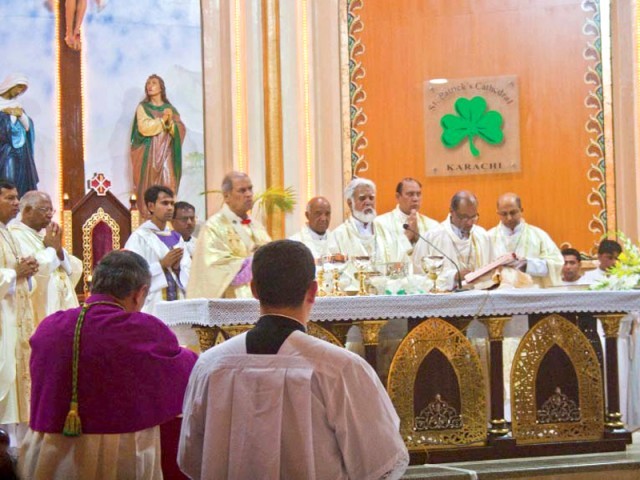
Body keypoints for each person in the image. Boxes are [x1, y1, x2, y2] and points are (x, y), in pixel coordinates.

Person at [178, 240, 409, 479]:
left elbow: (191, 458)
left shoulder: (210, 364)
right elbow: (381, 462)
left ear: (254, 289)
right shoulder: (340, 367)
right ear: (313, 291)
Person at [19, 250, 198, 479]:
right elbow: (188, 373)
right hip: (120, 450)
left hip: (53, 451)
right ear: (140, 293)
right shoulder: (144, 329)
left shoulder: (50, 326)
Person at [187, 171, 271, 299]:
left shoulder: (257, 226)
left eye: (250, 189)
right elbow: (212, 268)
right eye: (242, 191)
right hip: (234, 299)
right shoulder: (213, 227)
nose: (249, 194)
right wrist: (250, 263)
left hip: (261, 297)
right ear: (226, 196)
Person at [9, 191, 82, 322]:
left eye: (51, 210)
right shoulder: (15, 236)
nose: (49, 214)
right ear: (27, 210)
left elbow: (73, 270)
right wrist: (52, 249)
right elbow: (33, 270)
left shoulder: (45, 236)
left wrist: (59, 250)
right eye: (44, 209)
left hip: (62, 306)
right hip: (41, 309)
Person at [0, 181, 37, 431]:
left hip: (15, 317)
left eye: (17, 198)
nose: (16, 204)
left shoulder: (7, 233)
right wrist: (14, 273)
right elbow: (9, 274)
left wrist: (28, 271)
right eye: (10, 198)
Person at [124, 185, 190, 313]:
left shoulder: (177, 238)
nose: (170, 208)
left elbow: (188, 269)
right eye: (165, 203)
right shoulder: (139, 237)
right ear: (151, 206)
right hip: (152, 304)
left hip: (179, 303)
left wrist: (177, 268)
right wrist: (161, 265)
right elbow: (131, 273)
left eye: (172, 203)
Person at [413, 190, 494, 290]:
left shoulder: (483, 237)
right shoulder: (431, 238)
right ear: (452, 212)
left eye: (473, 217)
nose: (469, 223)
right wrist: (452, 277)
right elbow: (417, 279)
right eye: (464, 217)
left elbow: (493, 274)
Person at [130, 74, 186, 216]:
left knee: (168, 185)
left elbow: (180, 129)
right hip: (148, 155)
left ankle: (168, 220)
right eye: (148, 83)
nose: (150, 86)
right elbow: (143, 127)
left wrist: (170, 123)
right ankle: (147, 219)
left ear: (161, 87)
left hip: (166, 153)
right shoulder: (143, 108)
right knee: (148, 188)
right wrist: (162, 121)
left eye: (153, 83)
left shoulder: (170, 109)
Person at [488, 193, 563, 287]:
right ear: (498, 213)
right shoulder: (488, 238)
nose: (509, 218)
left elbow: (556, 264)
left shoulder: (538, 236)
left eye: (513, 212)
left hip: (531, 296)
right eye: (504, 214)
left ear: (521, 210)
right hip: (499, 296)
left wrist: (528, 264)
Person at [330, 177, 405, 263]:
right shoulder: (338, 236)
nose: (368, 202)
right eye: (362, 198)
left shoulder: (387, 232)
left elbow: (400, 260)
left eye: (371, 198)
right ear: (350, 203)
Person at [375, 177, 439, 258]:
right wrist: (407, 237)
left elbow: (437, 257)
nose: (415, 199)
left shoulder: (432, 225)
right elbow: (381, 257)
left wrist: (418, 239)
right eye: (410, 194)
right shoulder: (380, 223)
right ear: (398, 197)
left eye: (418, 194)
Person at [0, 74, 39, 196]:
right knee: (8, 178)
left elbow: (28, 127)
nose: (19, 92)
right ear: (10, 86)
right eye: (18, 88)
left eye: (22, 89)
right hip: (6, 151)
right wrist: (11, 116)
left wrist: (20, 115)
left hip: (22, 152)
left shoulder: (17, 105)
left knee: (22, 180)